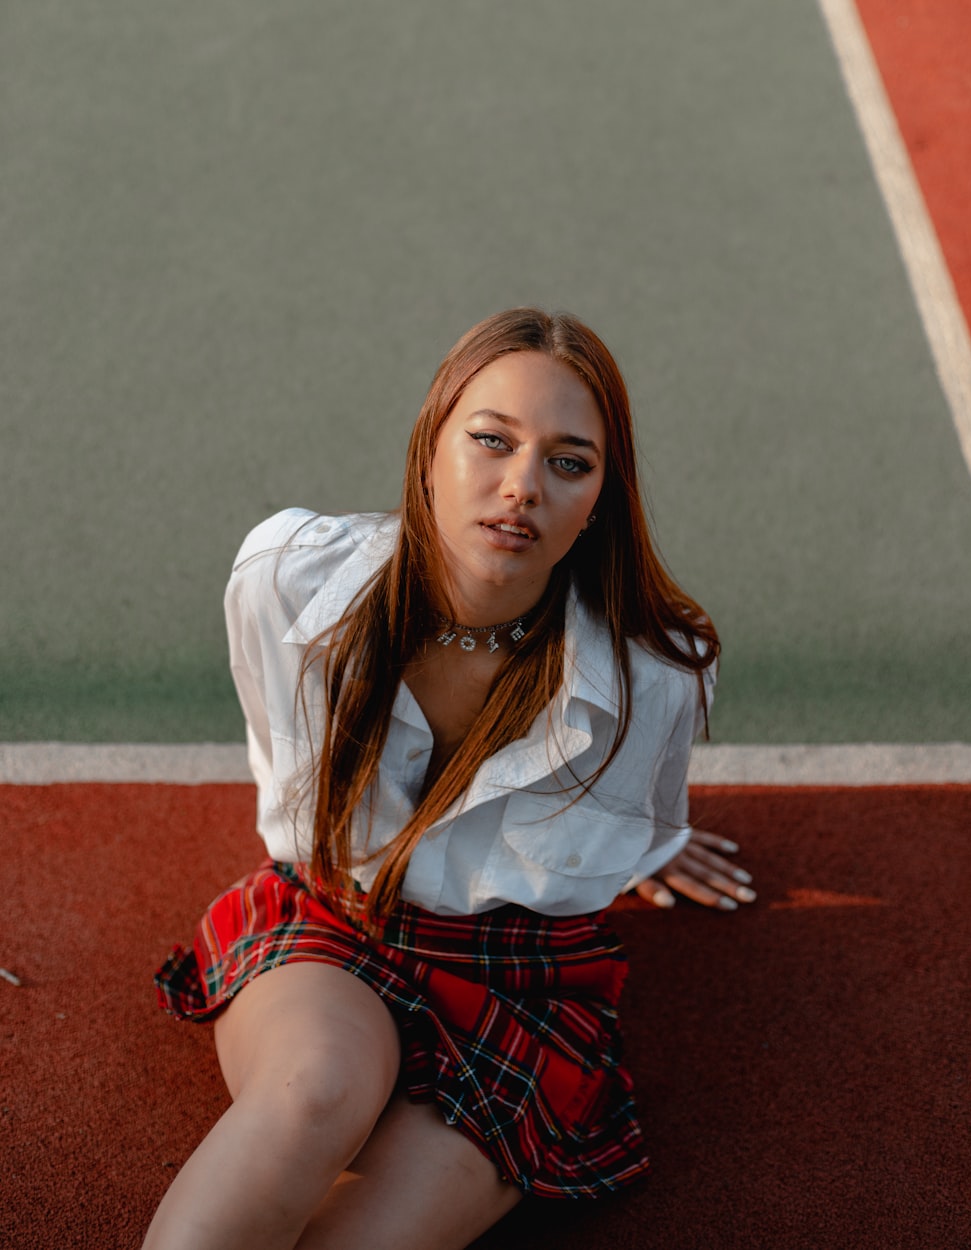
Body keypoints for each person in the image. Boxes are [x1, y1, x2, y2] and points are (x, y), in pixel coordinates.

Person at [144, 308, 755, 1250]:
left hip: (517, 981)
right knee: (313, 1095)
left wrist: (647, 838)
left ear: (601, 498)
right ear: (431, 448)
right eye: (491, 441)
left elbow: (613, 822)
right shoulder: (286, 581)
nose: (522, 488)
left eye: (568, 461)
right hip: (337, 918)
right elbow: (285, 762)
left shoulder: (658, 678)